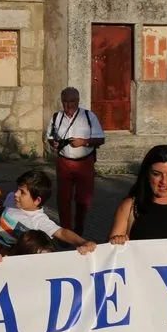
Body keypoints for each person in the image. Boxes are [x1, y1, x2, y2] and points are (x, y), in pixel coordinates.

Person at [0, 170, 96, 254]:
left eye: (22, 192)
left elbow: (62, 233)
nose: (16, 194)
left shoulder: (39, 221)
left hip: (3, 257)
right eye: (17, 189)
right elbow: (1, 193)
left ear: (37, 200)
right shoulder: (13, 200)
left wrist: (82, 242)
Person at [47, 87, 105, 234]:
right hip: (64, 163)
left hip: (85, 163)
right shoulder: (56, 117)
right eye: (65, 101)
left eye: (72, 101)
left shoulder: (89, 116)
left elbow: (101, 139)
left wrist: (84, 142)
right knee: (63, 199)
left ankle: (79, 230)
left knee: (83, 200)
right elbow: (50, 136)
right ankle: (66, 231)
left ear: (78, 101)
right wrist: (54, 143)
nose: (68, 105)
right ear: (62, 101)